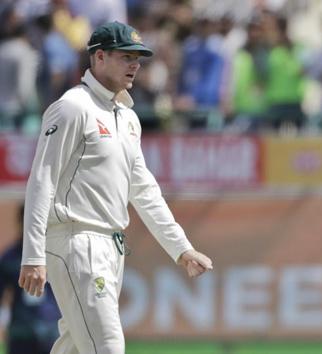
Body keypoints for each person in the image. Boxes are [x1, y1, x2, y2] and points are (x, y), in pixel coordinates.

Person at [18, 21, 213, 354]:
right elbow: (42, 180)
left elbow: (144, 190)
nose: (135, 64)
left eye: (138, 57)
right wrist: (33, 255)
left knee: (76, 347)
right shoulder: (73, 107)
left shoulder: (126, 116)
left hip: (111, 245)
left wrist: (181, 247)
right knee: (107, 347)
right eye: (126, 56)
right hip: (75, 241)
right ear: (100, 57)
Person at [0, 204, 60, 354]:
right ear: (21, 223)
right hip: (21, 331)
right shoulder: (10, 257)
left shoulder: (55, 254)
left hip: (52, 329)